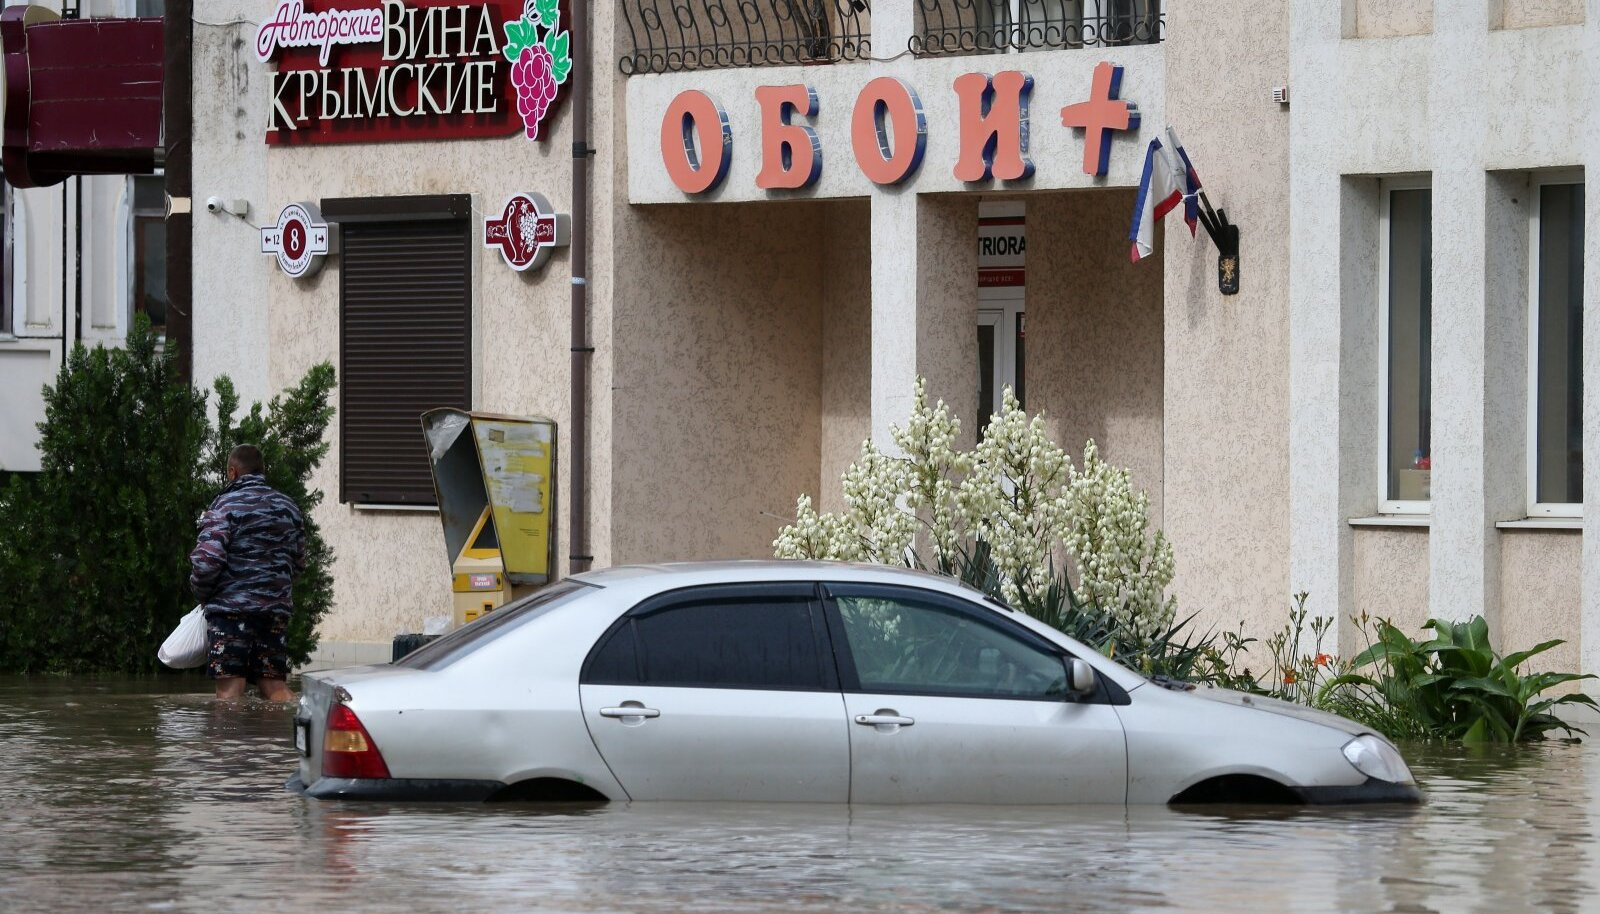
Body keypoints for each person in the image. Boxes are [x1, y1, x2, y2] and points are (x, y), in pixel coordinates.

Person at [189, 444, 307, 701]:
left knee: (230, 691)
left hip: (231, 613)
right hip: (274, 612)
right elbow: (298, 562)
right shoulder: (288, 507)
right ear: (262, 470)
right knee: (274, 687)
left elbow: (208, 560)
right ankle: (289, 733)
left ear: (232, 472)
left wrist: (202, 594)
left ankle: (230, 742)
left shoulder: (224, 505)